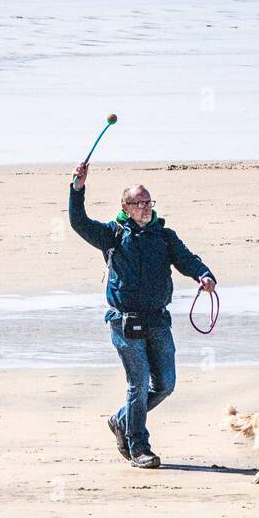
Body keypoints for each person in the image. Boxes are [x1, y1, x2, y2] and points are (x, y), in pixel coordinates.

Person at [69, 161, 216, 468]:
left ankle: (121, 420)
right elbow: (79, 222)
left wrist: (203, 274)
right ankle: (139, 448)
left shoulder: (164, 236)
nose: (146, 207)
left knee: (165, 385)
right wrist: (77, 189)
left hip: (158, 320)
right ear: (125, 206)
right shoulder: (112, 235)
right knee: (139, 383)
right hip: (125, 322)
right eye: (140, 203)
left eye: (149, 202)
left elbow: (187, 260)